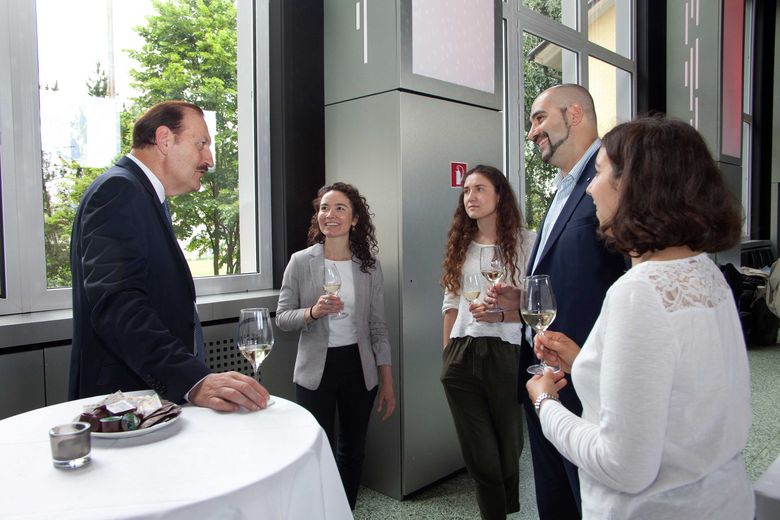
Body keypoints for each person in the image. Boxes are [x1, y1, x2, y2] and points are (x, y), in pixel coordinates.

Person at [525, 116, 754, 519]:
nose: (590, 188)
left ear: (633, 186)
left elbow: (622, 466)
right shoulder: (707, 275)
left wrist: (545, 403)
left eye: (599, 173)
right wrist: (585, 362)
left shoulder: (638, 292)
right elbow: (678, 392)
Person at [70, 100, 269, 412]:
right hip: (125, 408)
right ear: (164, 139)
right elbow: (118, 305)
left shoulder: (141, 194)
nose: (209, 159)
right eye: (201, 144)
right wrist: (193, 380)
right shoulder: (119, 190)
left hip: (148, 401)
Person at [488, 84, 626, 519]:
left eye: (539, 118)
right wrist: (522, 300)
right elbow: (567, 273)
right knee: (554, 500)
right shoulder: (563, 188)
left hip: (587, 380)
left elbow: (630, 274)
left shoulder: (614, 182)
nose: (532, 132)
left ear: (575, 115)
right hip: (545, 375)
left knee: (591, 501)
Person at [275, 182, 395, 510]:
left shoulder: (369, 267)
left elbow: (378, 327)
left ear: (354, 219)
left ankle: (345, 512)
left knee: (352, 451)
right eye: (324, 208)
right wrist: (313, 312)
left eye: (340, 208)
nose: (330, 214)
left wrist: (386, 380)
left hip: (359, 367)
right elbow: (282, 318)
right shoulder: (300, 262)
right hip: (316, 370)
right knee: (317, 450)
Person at [439, 165, 535, 519]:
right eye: (466, 191)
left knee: (509, 448)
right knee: (480, 454)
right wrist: (447, 354)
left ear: (499, 195)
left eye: (479, 189)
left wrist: (504, 314)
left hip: (507, 352)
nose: (471, 197)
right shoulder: (460, 244)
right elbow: (451, 303)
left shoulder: (527, 242)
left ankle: (503, 509)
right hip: (462, 352)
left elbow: (538, 302)